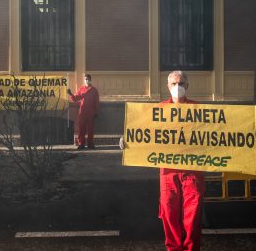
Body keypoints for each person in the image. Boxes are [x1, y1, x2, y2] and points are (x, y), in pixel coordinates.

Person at [120, 70, 205, 251]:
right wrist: (127, 141)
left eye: (181, 84)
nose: (178, 87)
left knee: (193, 213)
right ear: (168, 87)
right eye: (174, 84)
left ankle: (191, 249)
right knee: (169, 212)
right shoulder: (158, 110)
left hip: (193, 170)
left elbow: (217, 133)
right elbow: (143, 133)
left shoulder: (199, 110)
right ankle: (173, 248)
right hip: (168, 170)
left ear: (187, 86)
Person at [67, 74, 100, 150]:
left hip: (91, 112)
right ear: (84, 80)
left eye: (88, 79)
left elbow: (96, 102)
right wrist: (70, 94)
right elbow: (75, 98)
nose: (86, 80)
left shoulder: (94, 90)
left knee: (90, 129)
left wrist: (96, 112)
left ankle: (90, 144)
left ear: (90, 80)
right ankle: (81, 144)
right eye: (85, 79)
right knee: (81, 129)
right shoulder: (81, 89)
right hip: (82, 112)